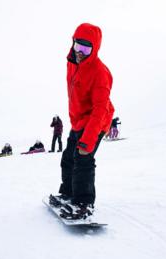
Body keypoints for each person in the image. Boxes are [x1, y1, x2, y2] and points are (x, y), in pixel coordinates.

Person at [49, 23, 115, 220]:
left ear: (94, 49)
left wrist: (89, 139)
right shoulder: (72, 62)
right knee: (68, 158)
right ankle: (68, 193)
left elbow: (100, 109)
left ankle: (84, 203)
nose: (80, 52)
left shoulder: (100, 73)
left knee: (83, 159)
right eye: (78, 46)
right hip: (79, 120)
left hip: (97, 121)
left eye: (86, 49)